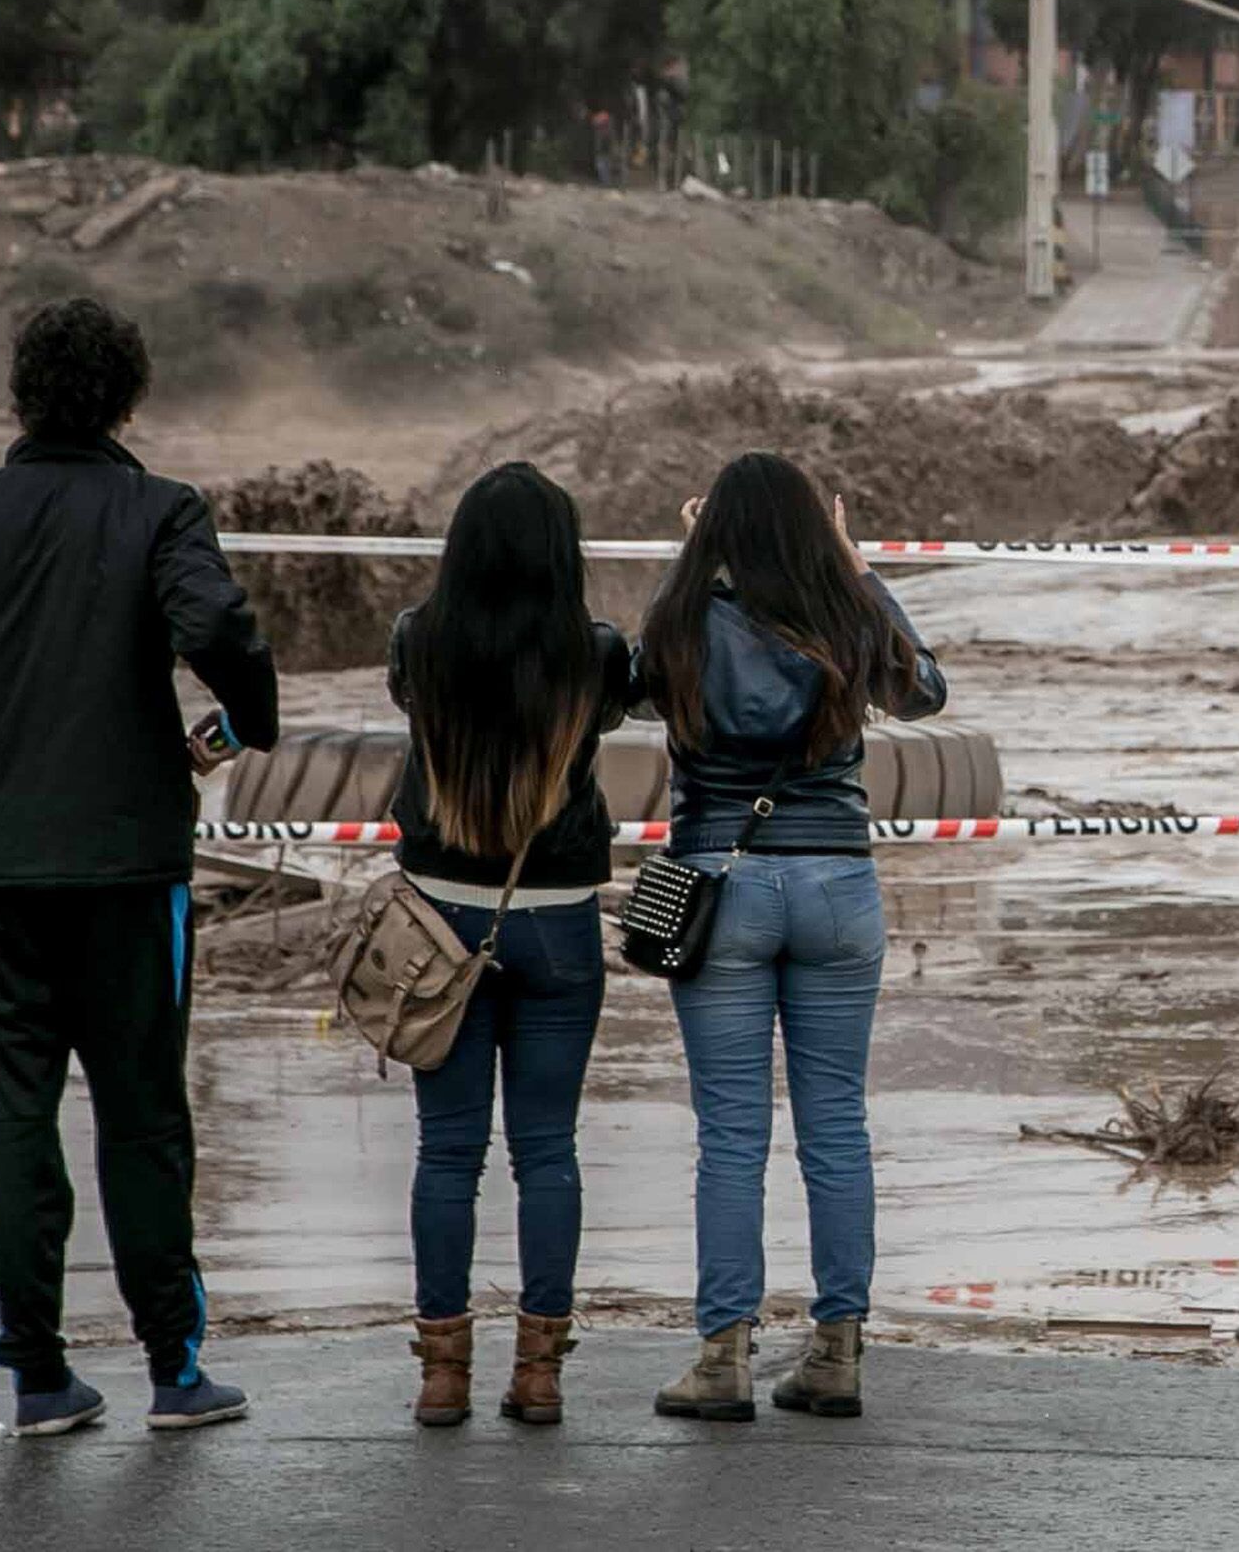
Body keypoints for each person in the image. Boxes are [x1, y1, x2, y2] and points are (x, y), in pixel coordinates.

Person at [0, 296, 278, 1438]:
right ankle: (176, 1368)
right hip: (132, 871)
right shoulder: (161, 509)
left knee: (10, 1114)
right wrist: (249, 715)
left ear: (18, 395)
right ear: (129, 398)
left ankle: (35, 1373)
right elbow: (217, 625)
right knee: (143, 1116)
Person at [638, 452, 945, 1424]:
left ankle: (722, 1355)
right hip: (836, 881)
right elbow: (924, 691)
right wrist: (853, 563)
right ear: (822, 529)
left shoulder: (684, 614)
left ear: (710, 526)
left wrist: (695, 558)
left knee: (730, 1132)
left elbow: (634, 690)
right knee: (835, 1125)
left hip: (718, 881)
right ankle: (836, 1350)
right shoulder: (843, 612)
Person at [386, 462, 633, 1431]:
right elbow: (632, 697)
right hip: (561, 917)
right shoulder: (596, 652)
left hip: (439, 919)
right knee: (547, 1150)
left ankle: (441, 1374)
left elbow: (407, 697)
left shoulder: (420, 639)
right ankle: (539, 1374)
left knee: (447, 1152)